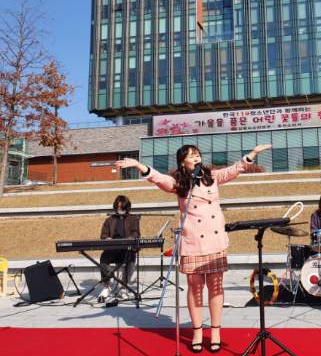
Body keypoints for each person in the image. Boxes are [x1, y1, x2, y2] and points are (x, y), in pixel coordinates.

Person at [115, 144, 271, 353]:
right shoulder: (179, 183)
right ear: (182, 162)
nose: (197, 158)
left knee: (216, 286)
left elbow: (234, 169)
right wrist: (138, 165)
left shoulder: (212, 176)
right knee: (195, 287)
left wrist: (252, 154)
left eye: (197, 154)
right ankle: (197, 331)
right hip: (192, 242)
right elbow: (159, 178)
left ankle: (215, 331)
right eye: (191, 156)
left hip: (215, 241)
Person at [98, 195, 140, 302]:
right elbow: (103, 235)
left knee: (131, 260)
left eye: (122, 208)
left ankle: (123, 287)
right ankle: (106, 286)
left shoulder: (133, 219)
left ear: (127, 207)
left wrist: (131, 238)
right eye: (118, 207)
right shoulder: (109, 220)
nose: (120, 209)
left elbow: (136, 233)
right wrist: (107, 238)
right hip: (113, 248)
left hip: (127, 248)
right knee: (103, 259)